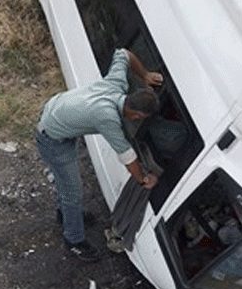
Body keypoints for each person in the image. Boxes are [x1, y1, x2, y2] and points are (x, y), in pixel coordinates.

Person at [35, 48, 163, 262]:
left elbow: (123, 53)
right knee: (73, 192)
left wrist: (145, 75)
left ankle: (64, 215)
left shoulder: (117, 84)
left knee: (66, 182)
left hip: (57, 115)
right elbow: (127, 155)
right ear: (137, 114)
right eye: (140, 118)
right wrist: (143, 179)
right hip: (52, 137)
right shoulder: (107, 117)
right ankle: (73, 240)